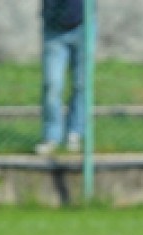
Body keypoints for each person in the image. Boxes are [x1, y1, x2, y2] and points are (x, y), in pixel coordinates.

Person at [35, 0, 86, 156]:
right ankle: (52, 136)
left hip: (83, 25)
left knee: (81, 84)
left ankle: (75, 132)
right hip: (54, 28)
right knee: (52, 84)